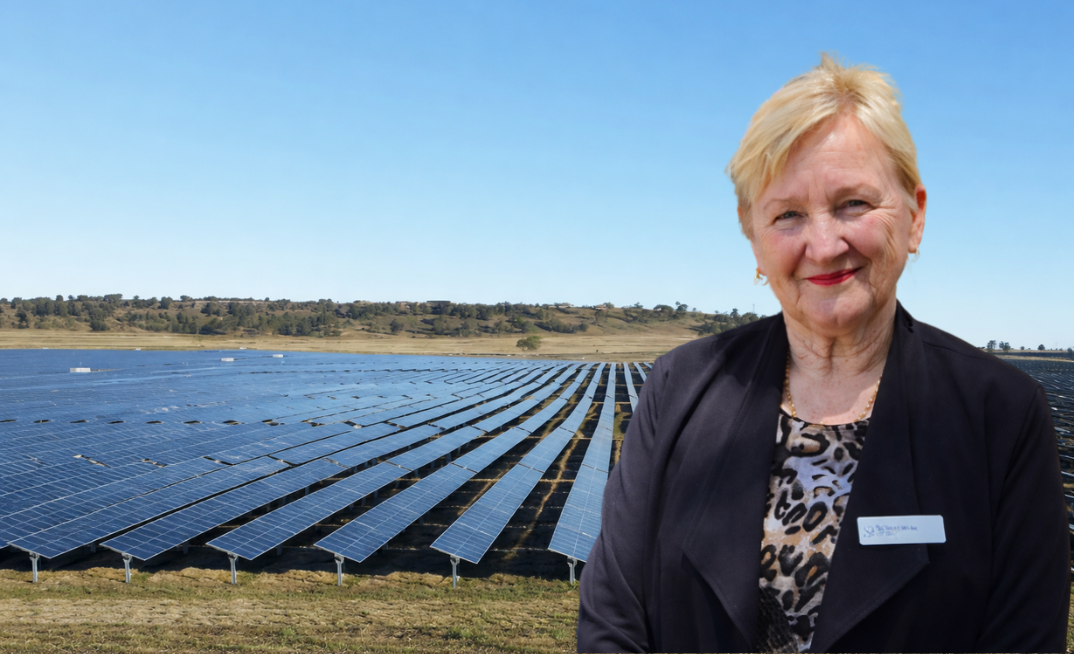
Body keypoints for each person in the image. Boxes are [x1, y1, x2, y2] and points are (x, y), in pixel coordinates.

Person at [577, 54, 1069, 653]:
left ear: (914, 216)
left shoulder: (1001, 413)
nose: (824, 244)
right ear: (753, 236)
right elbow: (613, 617)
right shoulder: (679, 386)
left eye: (853, 204)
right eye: (787, 214)